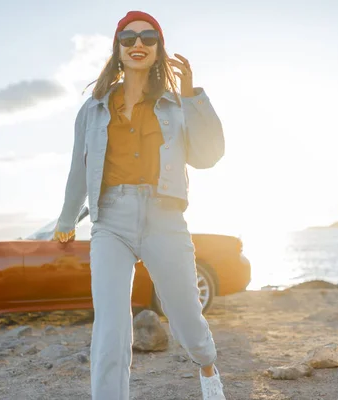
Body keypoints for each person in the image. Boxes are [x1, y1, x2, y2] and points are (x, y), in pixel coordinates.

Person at [54, 10, 226, 400]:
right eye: (128, 38)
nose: (138, 44)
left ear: (158, 48)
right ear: (117, 49)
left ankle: (207, 366)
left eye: (148, 37)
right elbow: (78, 170)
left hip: (164, 218)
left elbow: (208, 155)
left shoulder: (178, 105)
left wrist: (192, 94)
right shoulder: (93, 109)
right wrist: (66, 218)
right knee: (110, 326)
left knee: (185, 316)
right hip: (110, 221)